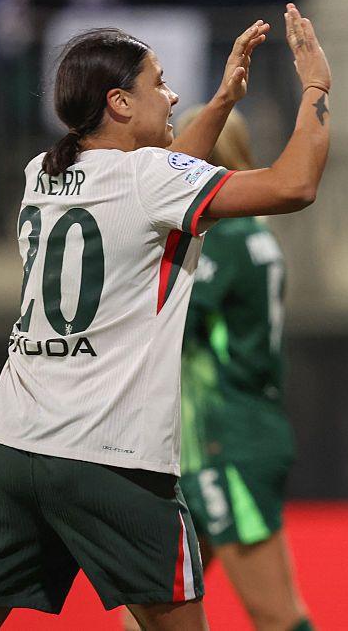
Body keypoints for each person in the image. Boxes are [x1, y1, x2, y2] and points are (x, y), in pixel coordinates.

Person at [0, 3, 331, 631]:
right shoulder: (147, 179)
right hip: (112, 459)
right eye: (160, 83)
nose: (172, 98)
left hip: (10, 446)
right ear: (119, 102)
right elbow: (294, 184)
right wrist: (316, 88)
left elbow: (160, 190)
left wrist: (222, 100)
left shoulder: (43, 171)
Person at [120, 107, 312, 631]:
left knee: (276, 615)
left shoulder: (221, 242)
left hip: (226, 443)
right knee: (148, 613)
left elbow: (150, 319)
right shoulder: (248, 235)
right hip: (197, 446)